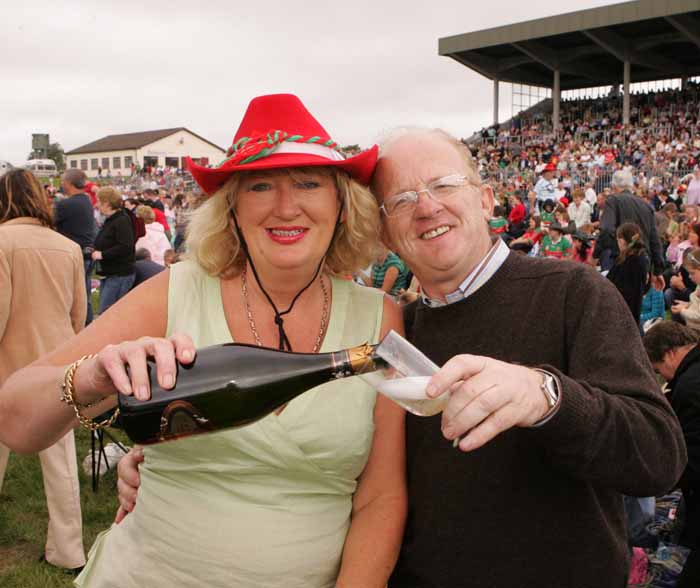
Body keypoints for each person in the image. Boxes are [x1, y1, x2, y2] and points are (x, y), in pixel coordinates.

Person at [0, 93, 406, 588]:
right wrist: (88, 377)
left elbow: (380, 496)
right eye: (259, 185)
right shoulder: (176, 291)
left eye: (308, 183)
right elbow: (15, 422)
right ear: (232, 208)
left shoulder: (378, 319)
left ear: (342, 204)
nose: (285, 206)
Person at [369, 127, 685, 588]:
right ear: (385, 231)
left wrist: (548, 398)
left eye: (443, 185)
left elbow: (659, 457)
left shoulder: (574, 292)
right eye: (401, 200)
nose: (426, 207)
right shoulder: (398, 333)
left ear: (484, 200)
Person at [0, 170, 87, 573]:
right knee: (62, 463)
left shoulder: (1, 242)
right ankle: (68, 551)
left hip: (9, 367)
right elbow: (79, 316)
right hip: (57, 365)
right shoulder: (68, 247)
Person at [644, 321, 700, 587]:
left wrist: (658, 479)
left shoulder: (689, 386)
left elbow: (692, 460)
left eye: (659, 370)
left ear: (669, 353)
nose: (664, 378)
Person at [594, 169, 665, 291]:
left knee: (617, 305)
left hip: (622, 263)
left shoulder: (613, 200)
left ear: (613, 186)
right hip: (643, 263)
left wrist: (596, 255)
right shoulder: (646, 206)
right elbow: (654, 240)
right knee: (634, 307)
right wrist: (658, 270)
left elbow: (606, 229)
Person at [55, 169, 97, 324]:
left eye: (62, 181)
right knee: (84, 294)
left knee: (74, 296)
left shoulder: (66, 204)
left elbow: (49, 221)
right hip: (86, 252)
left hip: (73, 253)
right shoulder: (85, 200)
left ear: (69, 183)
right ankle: (87, 324)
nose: (61, 184)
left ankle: (79, 327)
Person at [92, 186, 136, 314]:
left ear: (107, 203)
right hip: (111, 273)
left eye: (99, 201)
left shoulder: (121, 220)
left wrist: (102, 254)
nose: (97, 205)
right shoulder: (113, 219)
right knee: (106, 311)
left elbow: (126, 246)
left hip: (119, 274)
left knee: (108, 313)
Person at [607, 222, 650, 325]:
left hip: (623, 311)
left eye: (617, 240)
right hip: (633, 309)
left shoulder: (628, 261)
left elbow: (614, 284)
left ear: (622, 241)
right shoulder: (642, 257)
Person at [671, 248, 700, 330]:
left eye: (692, 273)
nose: (689, 276)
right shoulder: (698, 286)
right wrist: (688, 305)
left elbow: (698, 316)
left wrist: (682, 310)